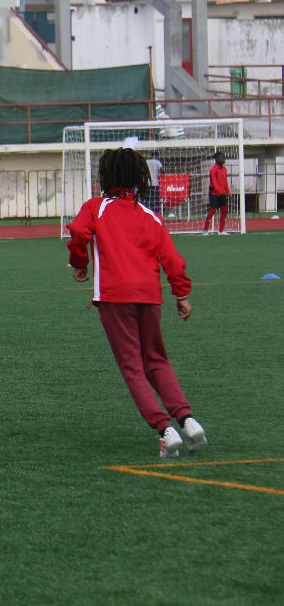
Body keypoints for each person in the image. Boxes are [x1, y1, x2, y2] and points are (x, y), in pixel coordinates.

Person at [66, 147, 207, 458]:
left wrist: (79, 262)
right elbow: (172, 259)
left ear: (107, 177)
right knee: (157, 360)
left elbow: (78, 232)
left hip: (115, 296)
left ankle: (165, 430)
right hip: (149, 296)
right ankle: (189, 421)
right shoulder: (150, 215)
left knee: (132, 366)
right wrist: (181, 294)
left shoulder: (96, 206)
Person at [202, 151, 230, 235]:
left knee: (224, 209)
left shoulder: (224, 169)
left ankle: (221, 230)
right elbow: (214, 183)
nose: (224, 159)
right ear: (217, 159)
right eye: (222, 157)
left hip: (222, 193)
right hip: (214, 193)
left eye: (224, 157)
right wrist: (221, 192)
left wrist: (228, 193)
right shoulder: (213, 170)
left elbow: (225, 182)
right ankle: (205, 230)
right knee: (213, 210)